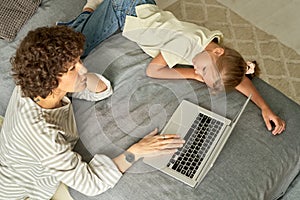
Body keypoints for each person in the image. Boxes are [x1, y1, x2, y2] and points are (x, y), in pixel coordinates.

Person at [0, 10, 184, 200]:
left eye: (78, 60)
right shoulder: (43, 135)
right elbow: (90, 184)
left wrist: (78, 77)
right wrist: (136, 151)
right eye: (72, 68)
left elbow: (102, 88)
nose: (84, 68)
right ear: (50, 81)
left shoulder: (33, 83)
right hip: (19, 191)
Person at [121, 3, 286, 135]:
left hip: (144, 9)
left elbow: (238, 77)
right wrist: (192, 74)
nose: (199, 71)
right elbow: (153, 71)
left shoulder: (213, 49)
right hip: (128, 14)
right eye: (204, 70)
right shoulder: (184, 44)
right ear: (218, 52)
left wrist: (265, 108)